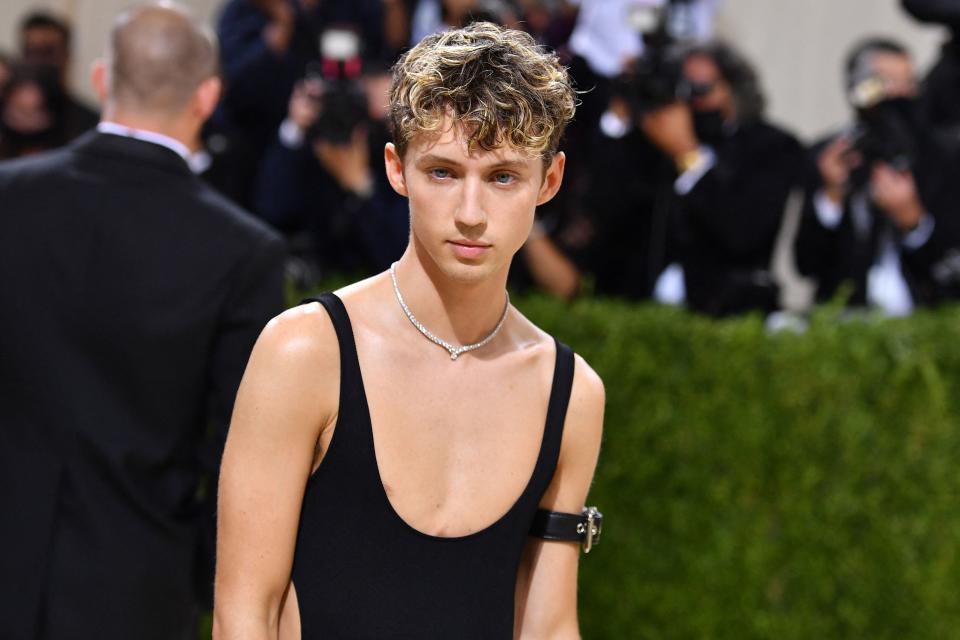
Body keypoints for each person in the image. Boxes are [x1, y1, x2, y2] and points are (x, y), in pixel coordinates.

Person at [214, 21, 605, 638]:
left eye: (503, 176)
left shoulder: (570, 392)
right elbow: (244, 614)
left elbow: (549, 626)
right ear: (397, 169)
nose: (471, 215)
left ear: (548, 182)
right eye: (444, 172)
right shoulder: (305, 353)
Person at [0, 3, 285, 639]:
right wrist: (203, 577)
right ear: (208, 96)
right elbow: (242, 452)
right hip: (137, 590)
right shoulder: (242, 251)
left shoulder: (9, 198)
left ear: (102, 79)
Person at [794, 38, 960, 313]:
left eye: (909, 83)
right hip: (846, 320)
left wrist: (914, 222)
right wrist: (830, 196)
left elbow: (949, 266)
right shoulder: (832, 154)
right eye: (887, 83)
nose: (901, 95)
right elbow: (806, 264)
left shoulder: (941, 155)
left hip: (920, 317)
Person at [18, 10, 99, 139]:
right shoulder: (6, 119)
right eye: (31, 52)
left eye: (47, 52)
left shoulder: (90, 124)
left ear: (66, 57)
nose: (38, 61)